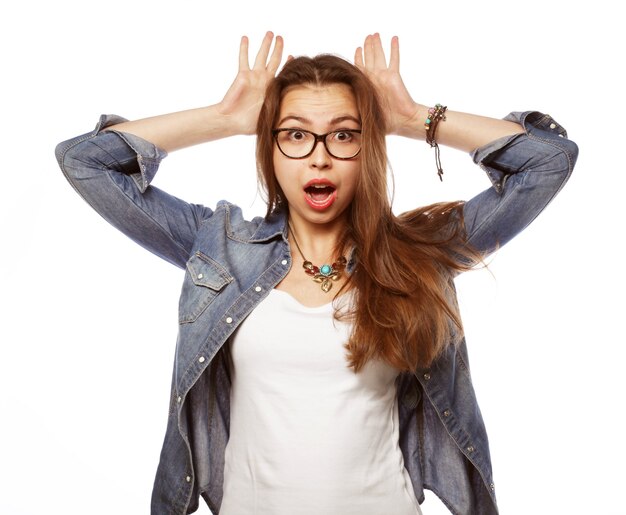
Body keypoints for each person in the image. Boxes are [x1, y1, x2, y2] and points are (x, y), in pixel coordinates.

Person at [55, 32, 578, 515]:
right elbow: (86, 162)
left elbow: (547, 162)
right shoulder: (219, 247)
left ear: (367, 148)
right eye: (295, 135)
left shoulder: (417, 254)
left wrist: (412, 116)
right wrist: (227, 117)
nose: (319, 158)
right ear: (271, 148)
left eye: (344, 135)